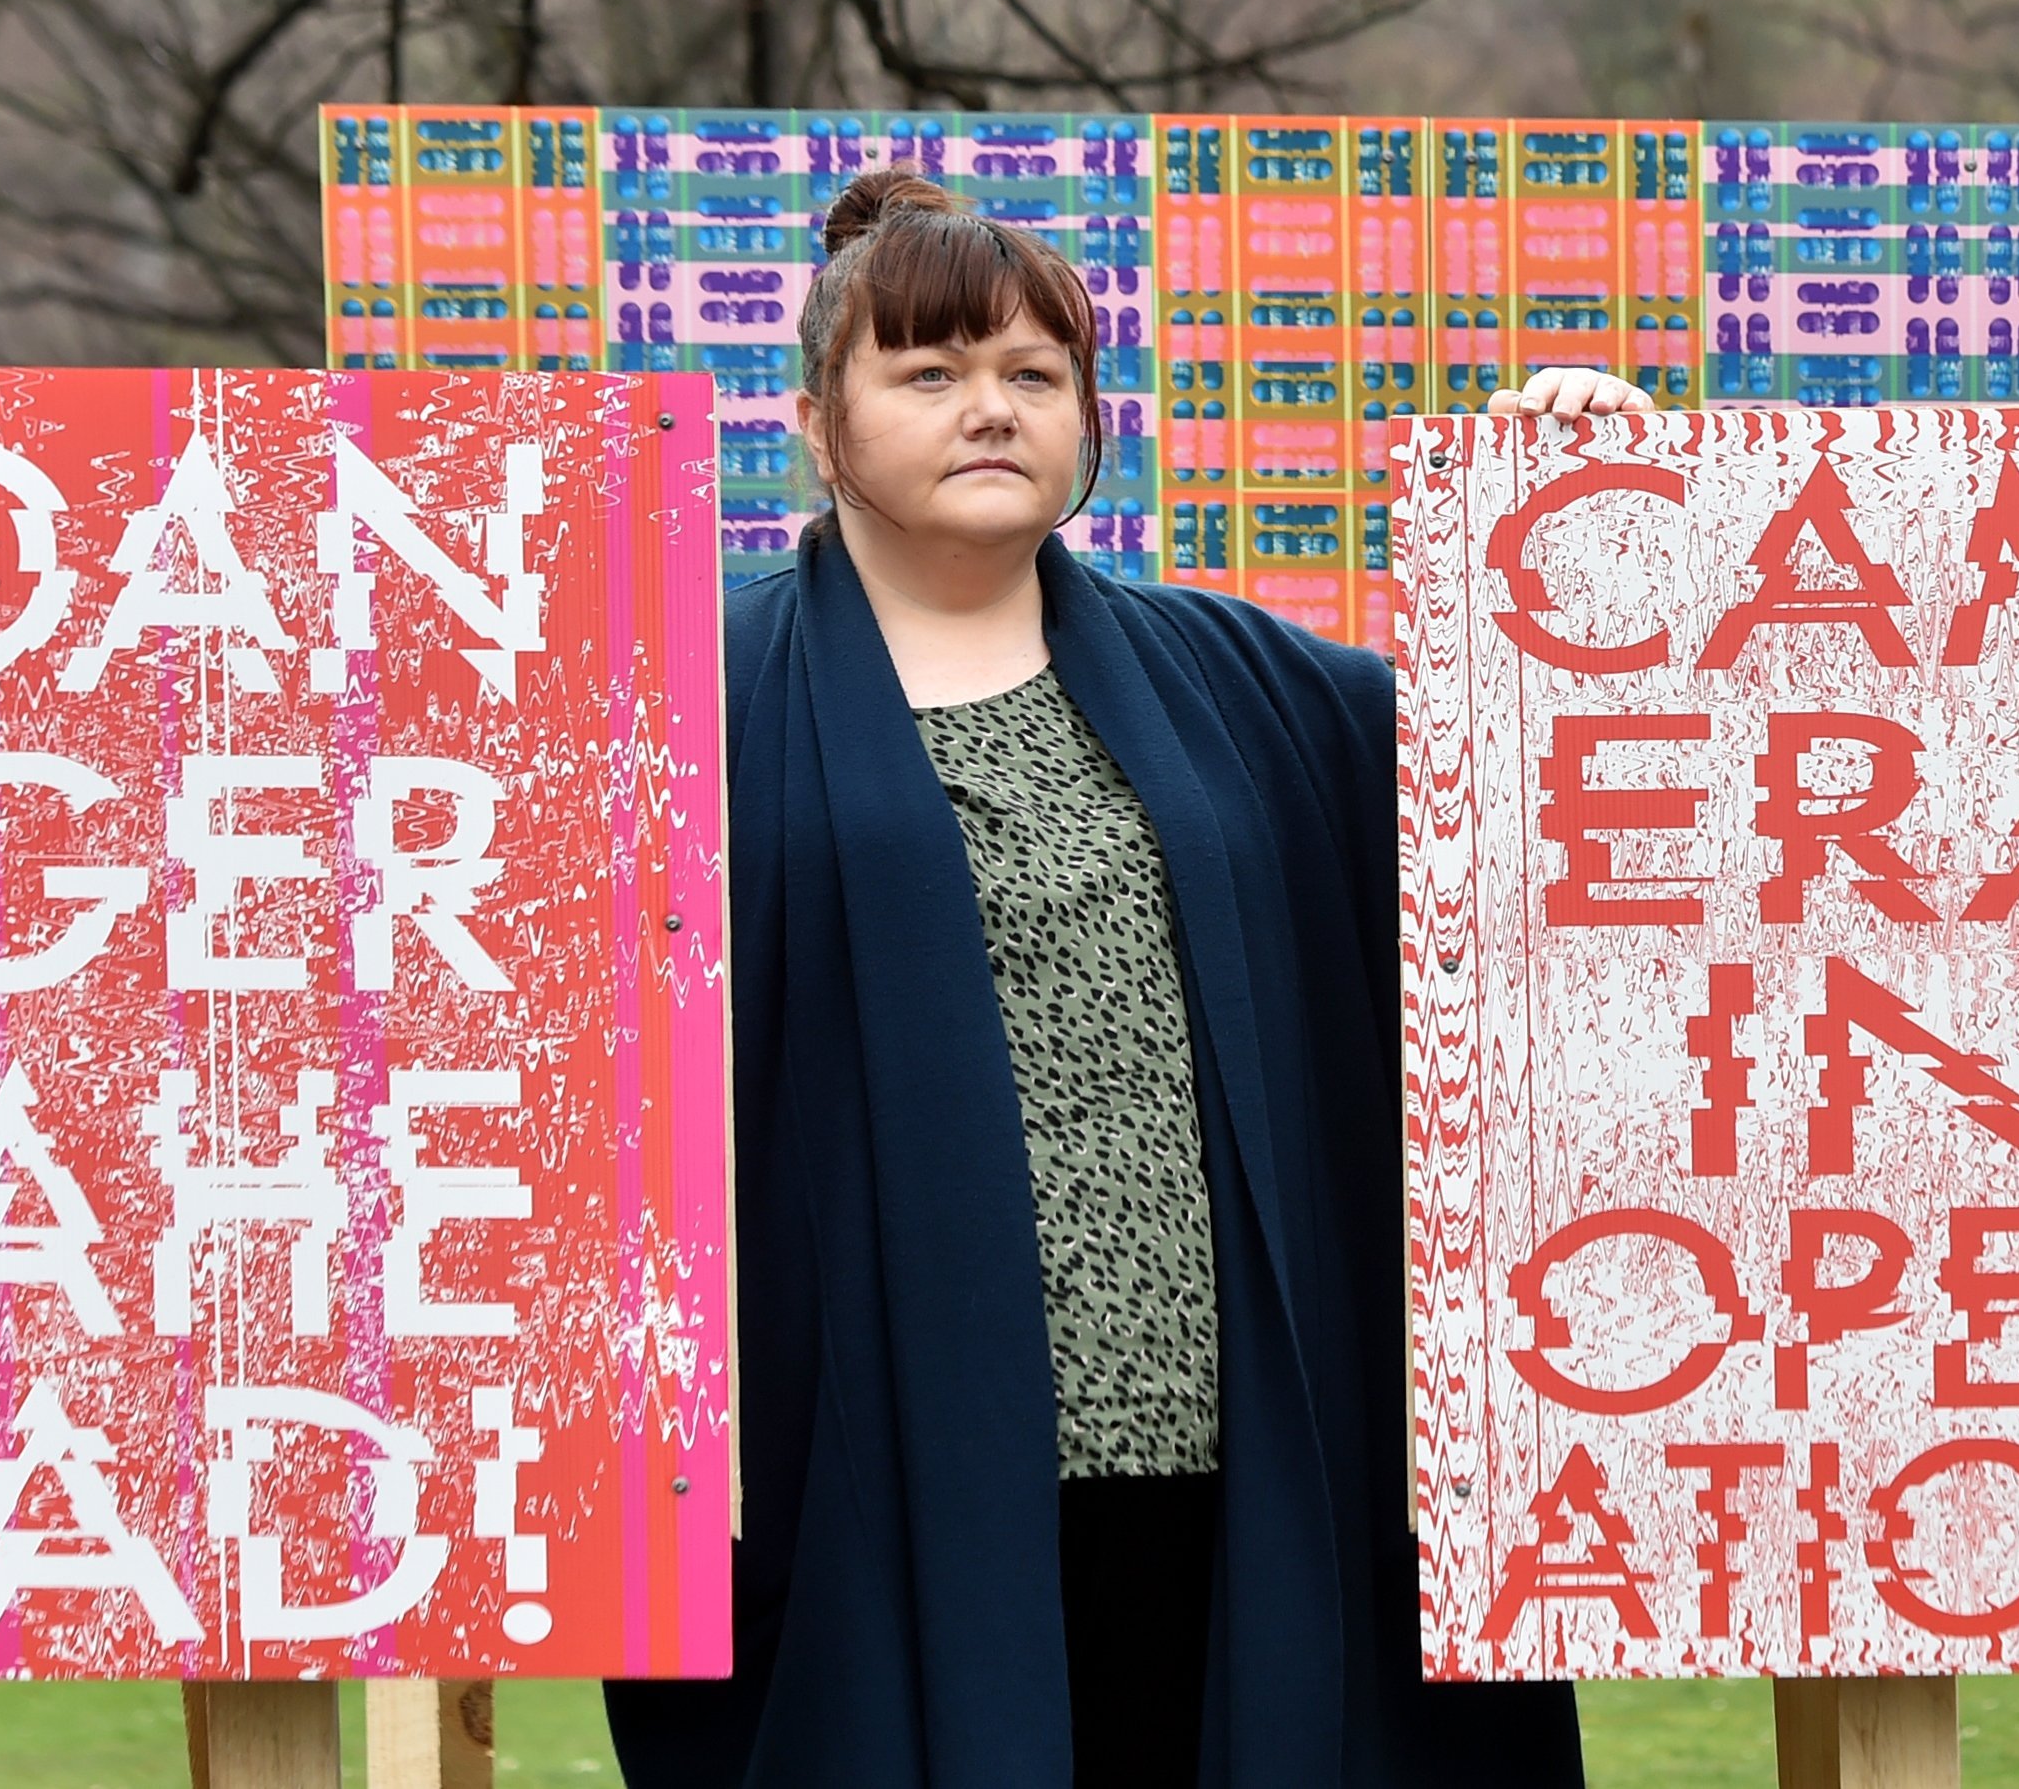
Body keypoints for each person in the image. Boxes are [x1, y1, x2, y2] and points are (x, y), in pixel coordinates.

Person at [604, 167, 1633, 1789]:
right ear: (818, 421)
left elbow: (1540, 745)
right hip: (870, 1473)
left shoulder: (1239, 684)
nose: (989, 408)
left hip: (1230, 1465)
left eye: (1033, 375)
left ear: (1089, 418)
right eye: (928, 373)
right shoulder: (679, 700)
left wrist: (1571, 490)